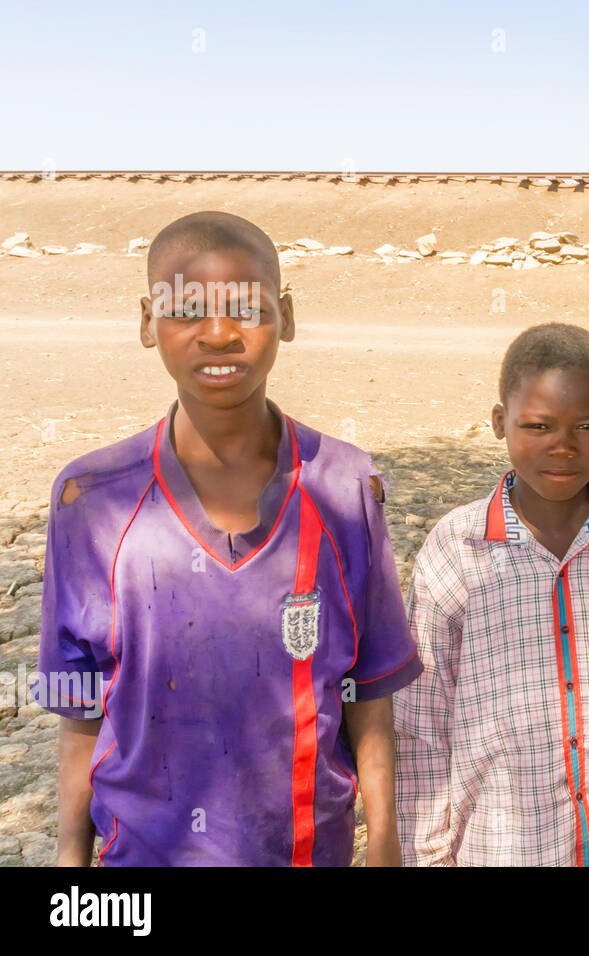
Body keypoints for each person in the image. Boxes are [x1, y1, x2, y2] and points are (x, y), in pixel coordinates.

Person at [38, 211, 421, 866]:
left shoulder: (348, 488)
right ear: (146, 322)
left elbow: (368, 698)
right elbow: (80, 715)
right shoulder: (92, 499)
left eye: (248, 309)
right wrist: (70, 863)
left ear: (288, 317)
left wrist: (383, 846)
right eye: (187, 310)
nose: (219, 335)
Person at [394, 323, 589, 866]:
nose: (563, 445)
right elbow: (422, 718)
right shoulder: (457, 548)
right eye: (538, 426)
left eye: (585, 426)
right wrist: (429, 854)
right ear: (499, 423)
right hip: (496, 845)